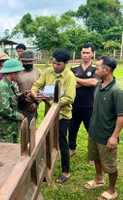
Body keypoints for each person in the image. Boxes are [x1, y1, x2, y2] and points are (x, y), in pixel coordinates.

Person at [30, 49, 76, 183]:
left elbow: (69, 98)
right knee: (47, 141)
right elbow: (37, 84)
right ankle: (46, 169)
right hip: (49, 115)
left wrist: (49, 100)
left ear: (66, 63)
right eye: (53, 63)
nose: (55, 66)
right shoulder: (48, 72)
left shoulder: (70, 77)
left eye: (58, 64)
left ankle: (66, 171)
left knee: (62, 142)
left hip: (62, 115)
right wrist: (34, 93)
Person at [85, 56, 123, 200]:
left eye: (97, 68)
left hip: (107, 135)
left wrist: (114, 136)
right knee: (96, 157)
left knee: (109, 165)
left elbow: (122, 115)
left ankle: (111, 190)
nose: (95, 70)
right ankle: (98, 179)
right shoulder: (99, 85)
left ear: (106, 70)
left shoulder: (116, 91)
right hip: (94, 131)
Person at [68, 43, 98, 157]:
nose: (85, 55)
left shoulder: (96, 69)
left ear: (92, 54)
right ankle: (71, 148)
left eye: (87, 53)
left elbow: (94, 82)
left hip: (90, 105)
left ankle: (93, 153)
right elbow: (72, 85)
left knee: (92, 131)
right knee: (72, 128)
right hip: (75, 105)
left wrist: (77, 79)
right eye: (83, 52)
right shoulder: (74, 68)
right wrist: (86, 81)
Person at [0, 59, 25, 143]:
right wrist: (18, 116)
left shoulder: (10, 84)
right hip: (4, 130)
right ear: (12, 73)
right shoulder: (2, 86)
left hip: (10, 128)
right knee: (5, 154)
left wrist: (23, 95)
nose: (18, 75)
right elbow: (3, 109)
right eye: (18, 72)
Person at [17, 51, 42, 125]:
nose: (28, 63)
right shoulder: (17, 73)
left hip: (32, 106)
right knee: (20, 129)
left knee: (31, 130)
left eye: (30, 61)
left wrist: (36, 103)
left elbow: (42, 89)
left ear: (33, 61)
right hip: (19, 106)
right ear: (22, 61)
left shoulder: (38, 72)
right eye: (25, 61)